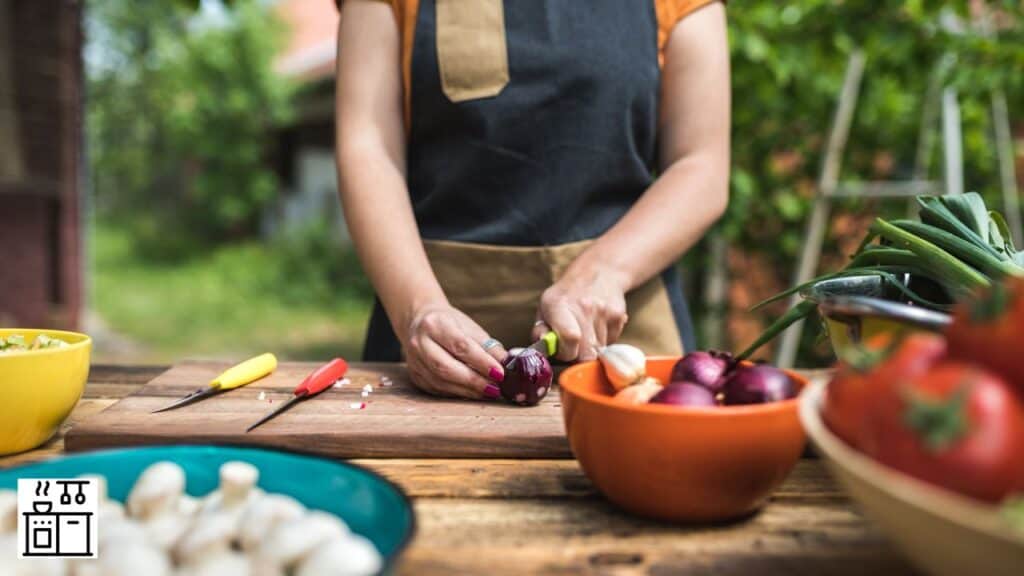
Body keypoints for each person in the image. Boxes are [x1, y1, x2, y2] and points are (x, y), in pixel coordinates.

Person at [334, 0, 730, 399]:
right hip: (431, 329)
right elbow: (369, 147)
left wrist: (604, 272)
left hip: (624, 325)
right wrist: (418, 311)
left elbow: (701, 164)